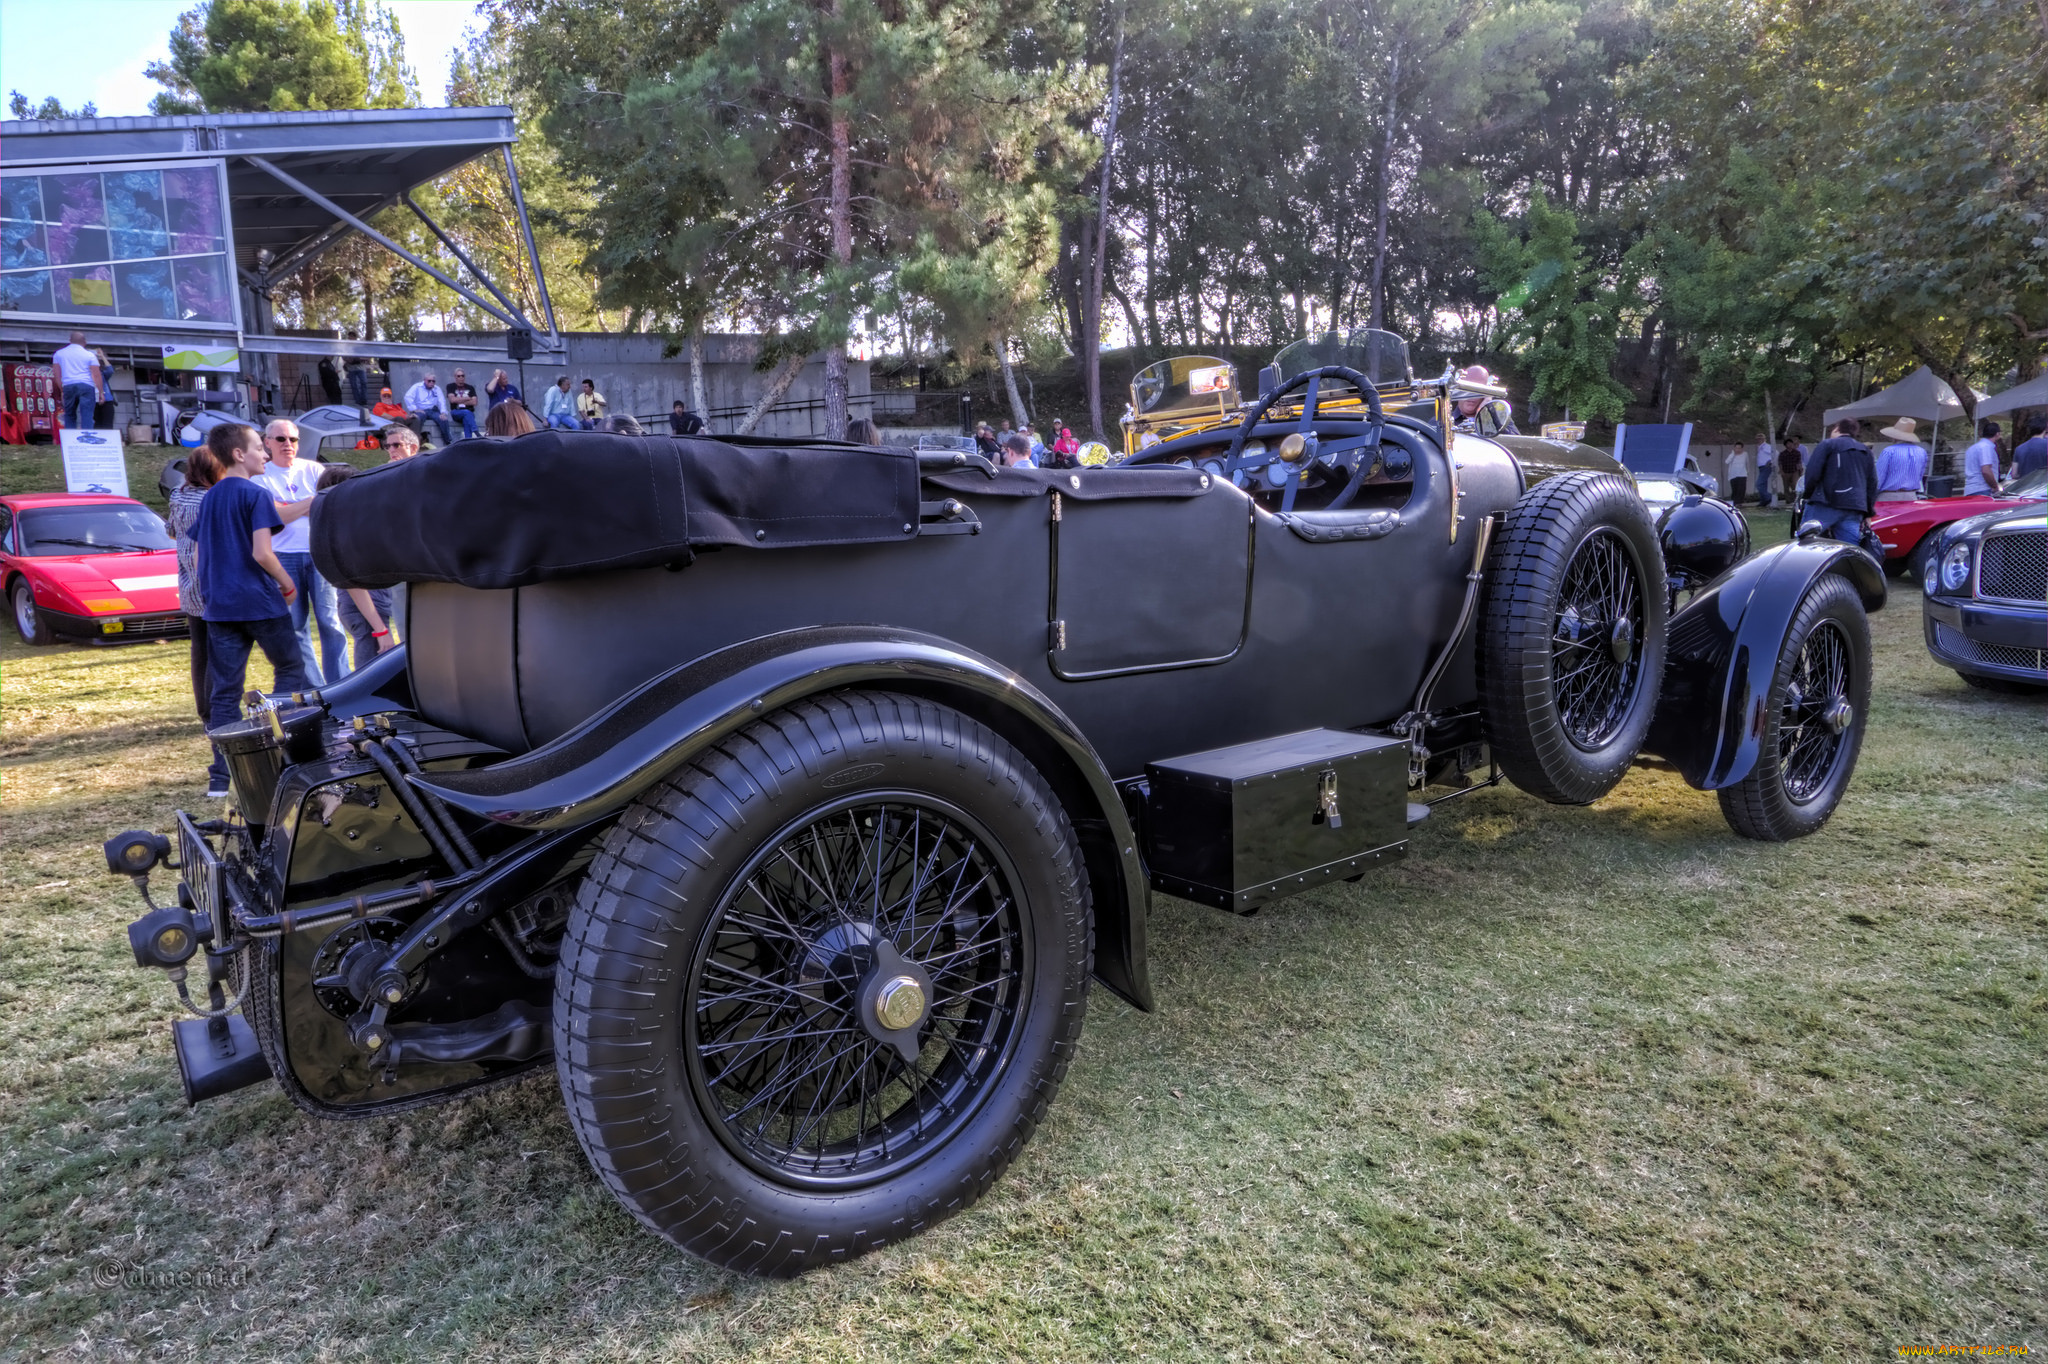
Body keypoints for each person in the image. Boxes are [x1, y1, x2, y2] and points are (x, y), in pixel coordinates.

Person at [192, 423, 308, 797]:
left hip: (220, 606)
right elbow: (262, 553)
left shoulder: (210, 497)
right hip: (258, 602)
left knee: (225, 692)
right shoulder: (256, 494)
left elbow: (197, 555)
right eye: (260, 447)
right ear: (239, 454)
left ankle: (222, 778)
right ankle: (284, 755)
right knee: (290, 669)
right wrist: (287, 584)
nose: (265, 452)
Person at [253, 419, 346, 685]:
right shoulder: (260, 475)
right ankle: (316, 690)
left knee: (330, 621)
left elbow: (329, 508)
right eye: (280, 439)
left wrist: (291, 507)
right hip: (283, 557)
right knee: (295, 627)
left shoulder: (314, 470)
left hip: (318, 553)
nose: (288, 445)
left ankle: (341, 684)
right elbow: (276, 516)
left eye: (293, 440)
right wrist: (311, 502)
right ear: (267, 442)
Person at [314, 463, 399, 670]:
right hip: (366, 612)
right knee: (372, 674)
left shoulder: (342, 525)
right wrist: (379, 629)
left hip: (371, 609)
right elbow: (351, 582)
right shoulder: (342, 531)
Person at [167, 441, 223, 737]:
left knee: (199, 649)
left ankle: (204, 709)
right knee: (217, 650)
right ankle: (215, 711)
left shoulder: (179, 494)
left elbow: (171, 530)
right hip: (211, 581)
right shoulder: (213, 500)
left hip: (188, 582)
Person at [1800, 417, 1876, 544]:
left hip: (1825, 504)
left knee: (1806, 542)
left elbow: (1812, 473)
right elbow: (1872, 483)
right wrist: (1868, 512)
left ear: (1837, 429)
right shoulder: (1865, 451)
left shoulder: (1827, 445)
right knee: (1849, 548)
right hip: (1854, 506)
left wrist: (1808, 495)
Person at [53, 330, 101, 431]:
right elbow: (97, 375)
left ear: (70, 340)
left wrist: (62, 389)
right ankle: (87, 439)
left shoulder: (59, 354)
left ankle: (70, 440)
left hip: (68, 385)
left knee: (69, 414)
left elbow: (57, 374)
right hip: (86, 385)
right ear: (85, 341)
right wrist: (101, 392)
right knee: (87, 414)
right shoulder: (90, 355)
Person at [1452, 365, 1518, 436]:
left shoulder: (1501, 418)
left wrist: (1488, 414)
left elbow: (1516, 443)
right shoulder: (1444, 419)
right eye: (1467, 389)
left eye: (1478, 390)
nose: (1471, 395)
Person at [1873, 417, 1929, 501]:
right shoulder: (1922, 452)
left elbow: (1879, 477)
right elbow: (1920, 475)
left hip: (1889, 496)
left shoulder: (1889, 451)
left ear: (1894, 437)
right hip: (1911, 495)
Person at [404, 371, 453, 447]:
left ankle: (448, 441)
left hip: (433, 410)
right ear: (424, 380)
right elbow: (407, 397)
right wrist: (414, 409)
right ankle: (414, 442)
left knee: (443, 419)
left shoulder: (437, 389)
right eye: (429, 381)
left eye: (433, 381)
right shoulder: (417, 387)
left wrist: (443, 412)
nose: (431, 383)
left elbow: (441, 401)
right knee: (417, 419)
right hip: (421, 410)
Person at [1962, 419, 2003, 495]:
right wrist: (1995, 486)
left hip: (1970, 489)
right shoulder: (1986, 447)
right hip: (1982, 489)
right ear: (1997, 434)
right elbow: (1986, 470)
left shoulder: (1972, 448)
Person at [446, 368, 480, 439]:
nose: (461, 377)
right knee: (467, 413)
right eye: (458, 376)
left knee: (467, 417)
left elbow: (474, 402)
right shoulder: (450, 386)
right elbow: (452, 400)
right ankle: (476, 431)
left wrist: (460, 402)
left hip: (468, 412)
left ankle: (468, 440)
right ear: (455, 377)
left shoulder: (470, 387)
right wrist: (467, 398)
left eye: (462, 376)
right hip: (456, 411)